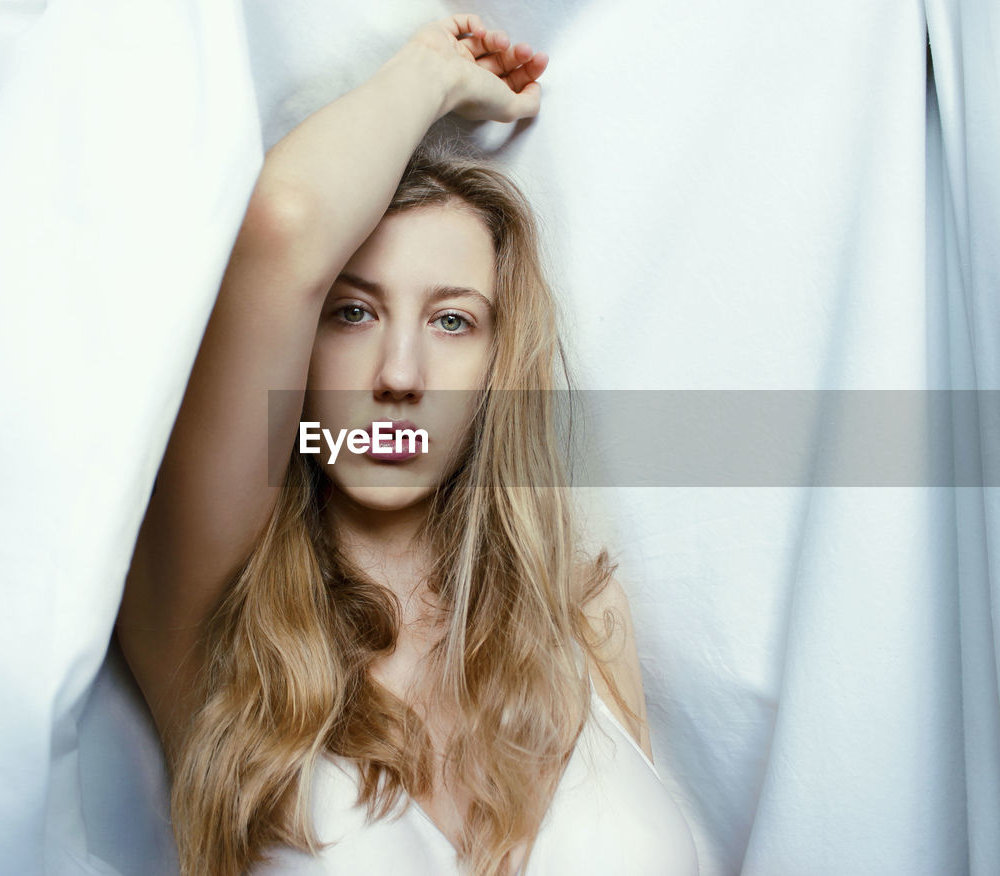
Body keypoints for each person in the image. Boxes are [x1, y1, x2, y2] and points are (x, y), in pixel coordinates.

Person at [116, 13, 698, 876]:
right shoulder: (218, 621)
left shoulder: (581, 620)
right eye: (353, 313)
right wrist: (431, 70)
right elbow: (283, 220)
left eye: (452, 321)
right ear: (299, 349)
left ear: (497, 369)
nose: (399, 374)